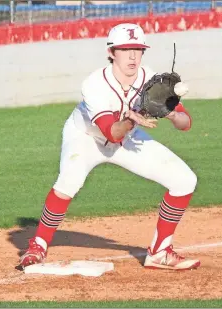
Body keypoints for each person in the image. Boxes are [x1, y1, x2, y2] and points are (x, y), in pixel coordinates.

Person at [19, 23, 200, 270]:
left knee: (184, 180)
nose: (133, 56)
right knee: (68, 182)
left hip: (129, 139)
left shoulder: (150, 79)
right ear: (111, 52)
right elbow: (112, 133)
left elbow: (185, 123)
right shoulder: (95, 84)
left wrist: (170, 112)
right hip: (86, 138)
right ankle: (38, 245)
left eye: (138, 49)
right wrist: (130, 118)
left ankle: (159, 252)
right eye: (125, 49)